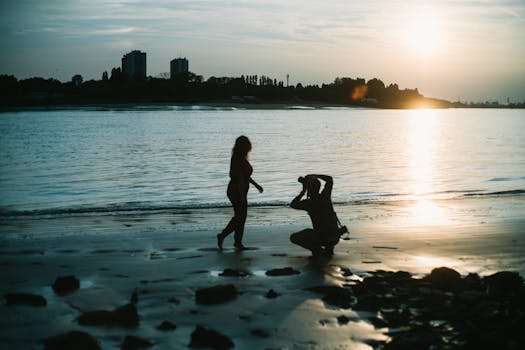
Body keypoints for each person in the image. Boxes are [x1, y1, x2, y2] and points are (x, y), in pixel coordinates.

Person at [217, 136, 263, 250]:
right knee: (240, 217)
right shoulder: (238, 158)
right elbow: (239, 178)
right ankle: (224, 236)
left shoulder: (241, 157)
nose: (249, 147)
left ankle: (237, 242)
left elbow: (245, 176)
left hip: (239, 190)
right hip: (236, 191)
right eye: (247, 144)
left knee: (241, 216)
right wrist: (242, 195)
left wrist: (256, 185)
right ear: (243, 146)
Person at [290, 174, 339, 257]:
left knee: (294, 237)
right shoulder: (325, 197)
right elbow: (329, 179)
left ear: (308, 189)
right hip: (335, 237)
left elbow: (293, 204)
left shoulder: (308, 203)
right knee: (326, 229)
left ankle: (317, 250)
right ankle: (329, 249)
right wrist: (314, 176)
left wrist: (302, 191)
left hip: (323, 238)